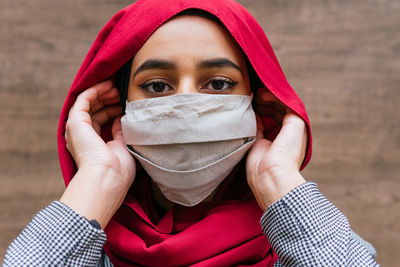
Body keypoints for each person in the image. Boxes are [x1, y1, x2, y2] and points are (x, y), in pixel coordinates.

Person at [3, 0, 378, 266]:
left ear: (259, 105)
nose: (184, 109)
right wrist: (98, 180)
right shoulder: (83, 253)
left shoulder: (303, 250)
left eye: (217, 83)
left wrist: (277, 178)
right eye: (156, 87)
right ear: (120, 108)